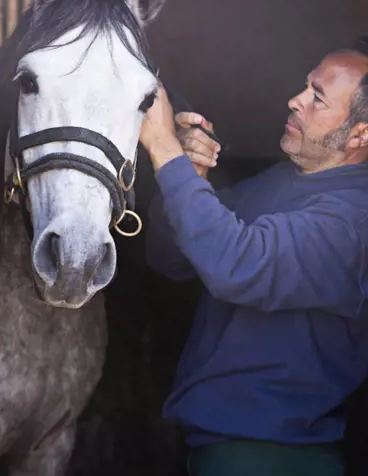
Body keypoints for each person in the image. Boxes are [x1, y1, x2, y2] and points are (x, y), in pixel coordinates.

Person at [139, 39, 368, 476]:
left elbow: (236, 265)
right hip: (218, 446)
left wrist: (164, 150)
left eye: (317, 98)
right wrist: (191, 172)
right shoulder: (284, 181)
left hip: (274, 457)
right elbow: (173, 258)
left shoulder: (353, 224)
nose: (295, 100)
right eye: (306, 85)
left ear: (360, 134)